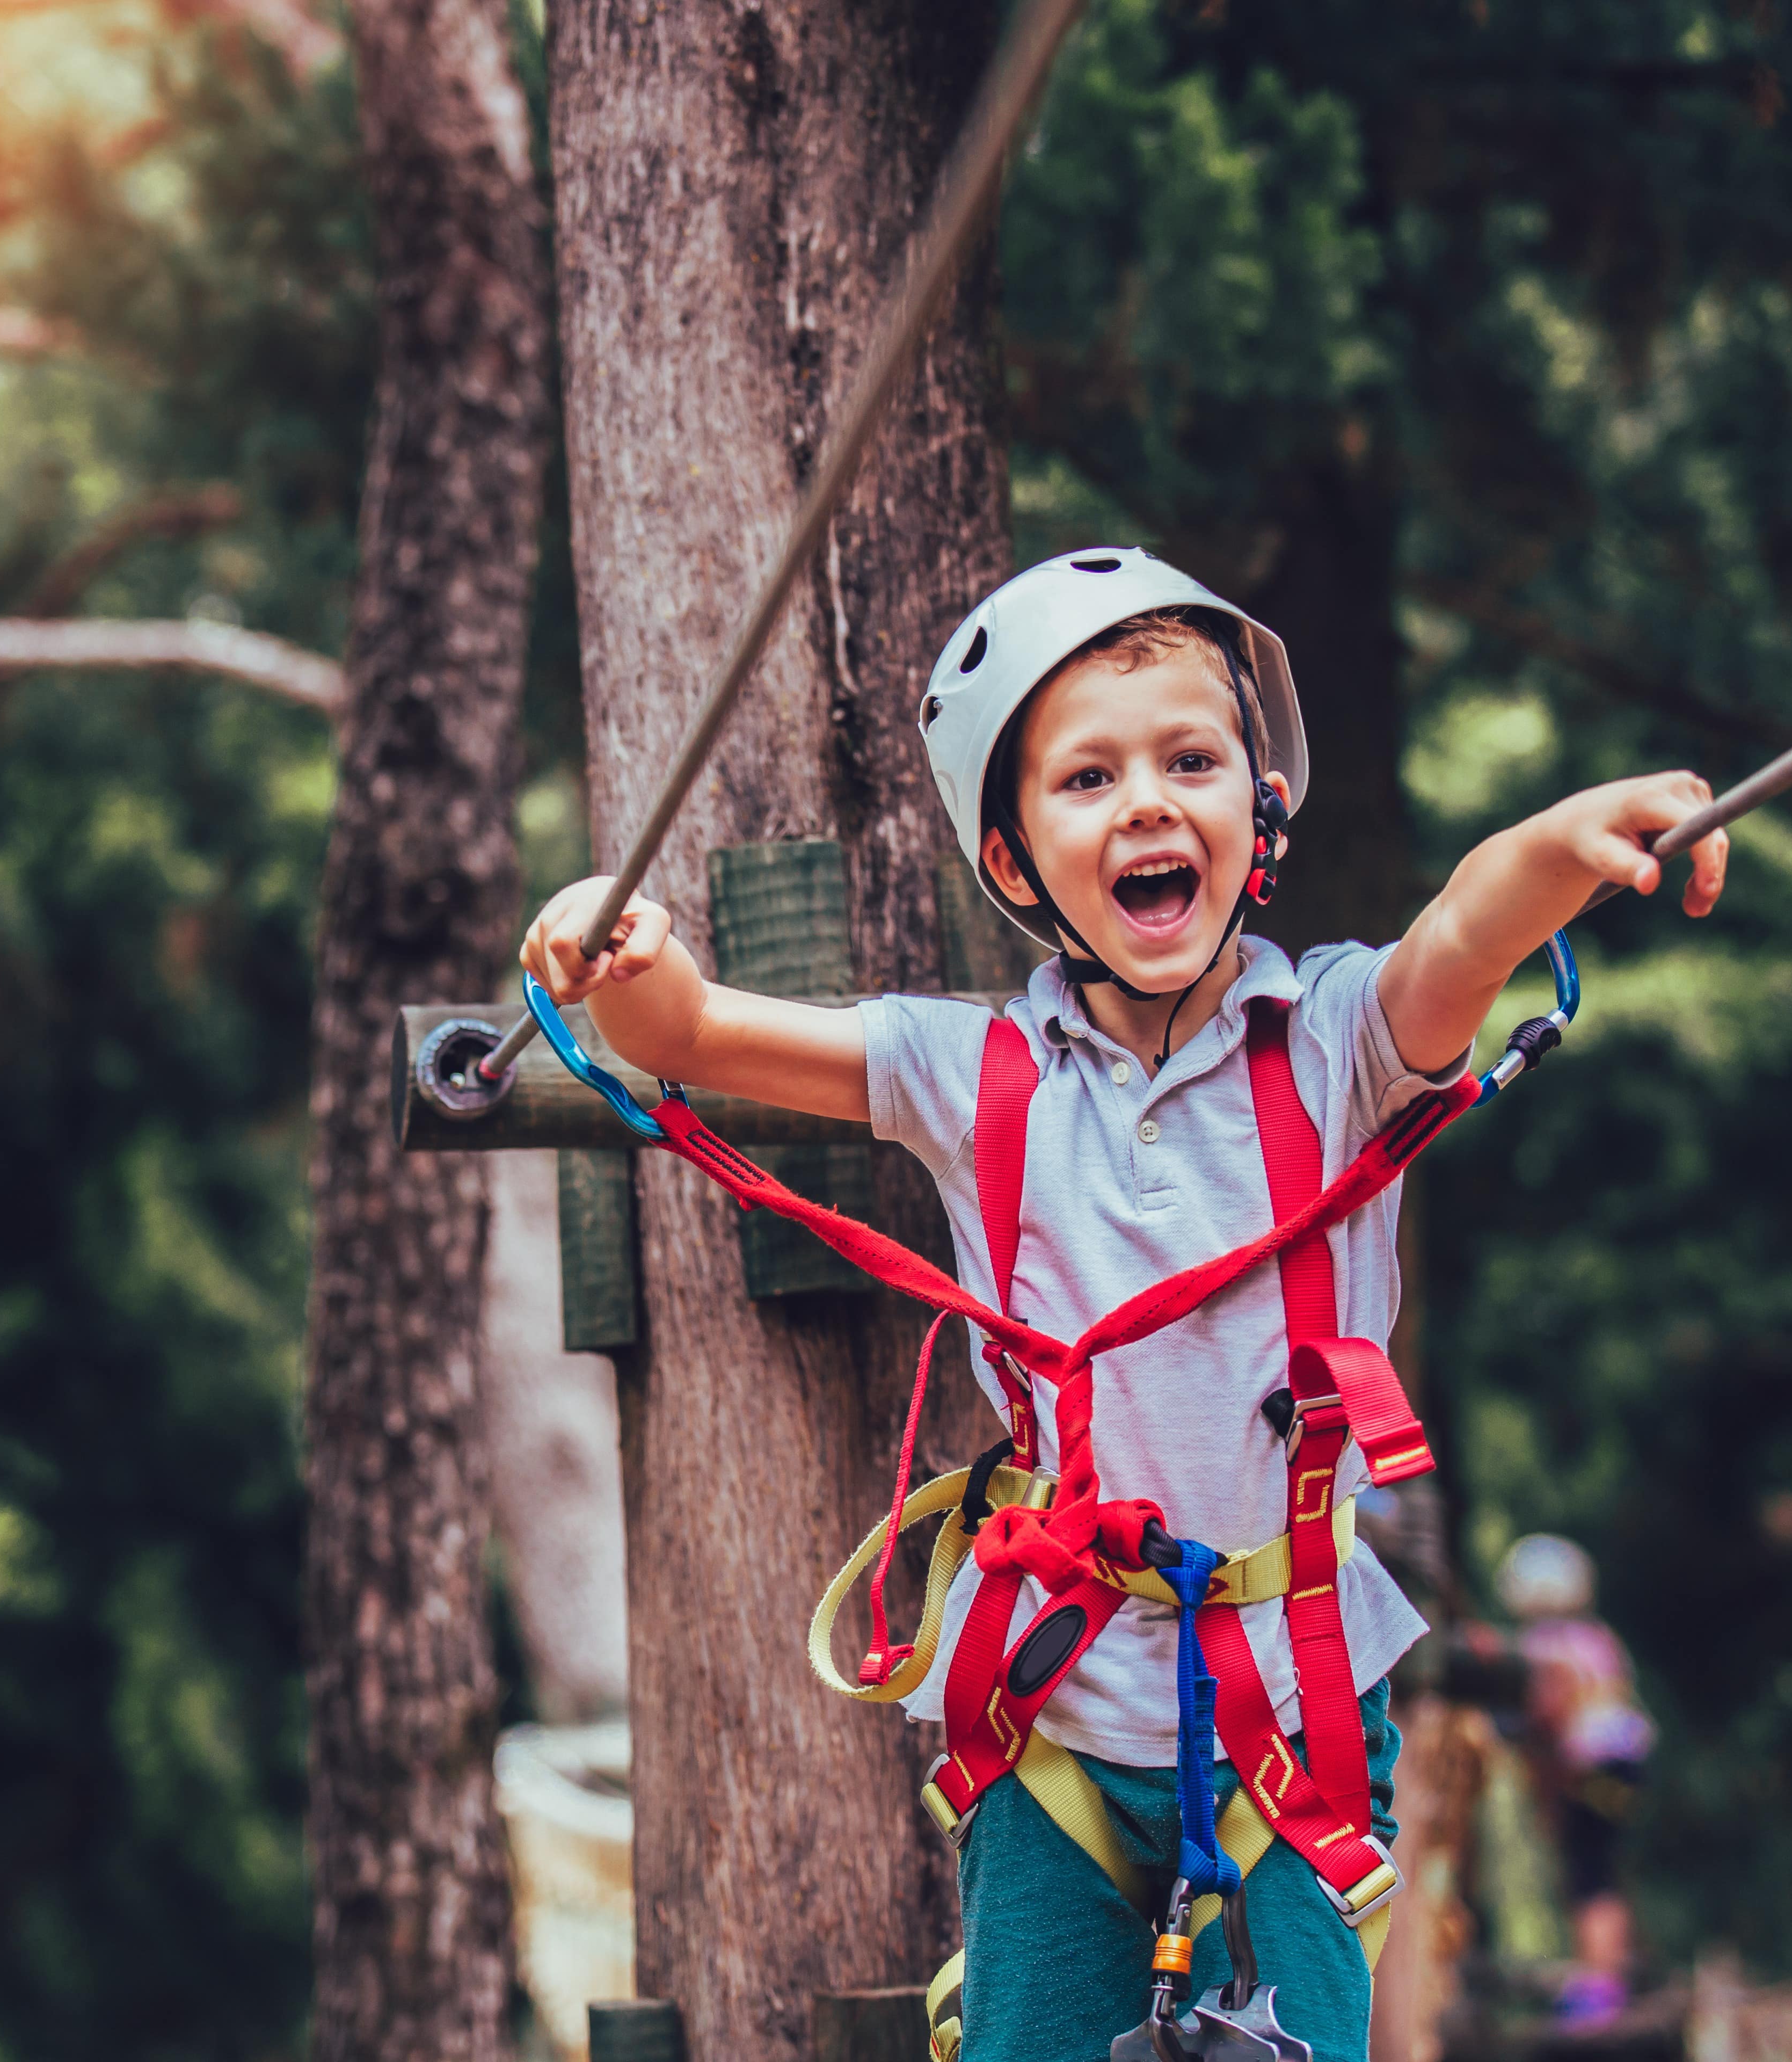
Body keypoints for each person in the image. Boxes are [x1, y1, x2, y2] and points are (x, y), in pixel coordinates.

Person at [521, 550, 1727, 2062]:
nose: (1150, 803)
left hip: (1294, 1701)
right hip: (1058, 1713)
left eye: (1191, 761)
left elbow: (1469, 933)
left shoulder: (1344, 1040)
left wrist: (1561, 841)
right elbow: (694, 1031)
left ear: (1260, 812)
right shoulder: (969, 1073)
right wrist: (608, 939)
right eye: (1088, 778)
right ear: (1016, 861)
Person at [1496, 1533, 1657, 2029]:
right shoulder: (1598, 1639)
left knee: (1589, 1874)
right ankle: (1611, 1969)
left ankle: (1600, 1987)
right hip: (1624, 1762)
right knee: (1602, 1866)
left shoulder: (1539, 1649)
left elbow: (1549, 1720)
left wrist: (1548, 1785)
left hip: (1586, 1768)